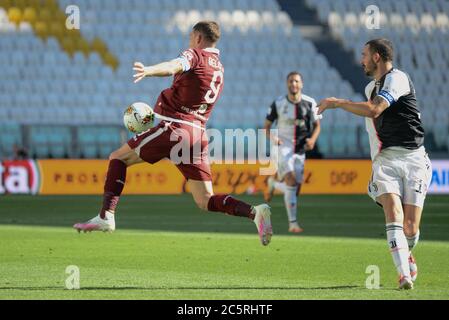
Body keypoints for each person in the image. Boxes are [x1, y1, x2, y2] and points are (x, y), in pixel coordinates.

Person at [73, 21, 273, 246]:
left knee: (118, 157)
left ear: (197, 37)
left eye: (191, 37)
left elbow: (173, 66)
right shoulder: (219, 67)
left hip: (175, 128)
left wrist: (149, 70)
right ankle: (255, 212)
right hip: (198, 135)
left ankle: (106, 216)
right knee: (204, 199)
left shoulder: (195, 55)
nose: (189, 41)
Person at [317, 38, 432, 289]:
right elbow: (373, 128)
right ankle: (404, 275)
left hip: (414, 158)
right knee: (394, 212)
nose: (361, 60)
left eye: (364, 55)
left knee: (410, 228)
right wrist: (375, 163)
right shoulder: (371, 88)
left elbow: (374, 111)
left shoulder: (398, 78)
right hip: (387, 160)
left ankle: (407, 252)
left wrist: (337, 103)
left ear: (377, 57)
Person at [263, 71, 321, 233]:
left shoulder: (310, 103)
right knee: (291, 180)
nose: (293, 84)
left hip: (301, 148)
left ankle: (273, 183)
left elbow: (317, 126)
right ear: (287, 84)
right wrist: (274, 139)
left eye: (296, 81)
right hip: (283, 146)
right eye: (290, 81)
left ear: (301, 84)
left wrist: (312, 140)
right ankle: (293, 224)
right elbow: (266, 127)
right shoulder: (279, 103)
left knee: (296, 188)